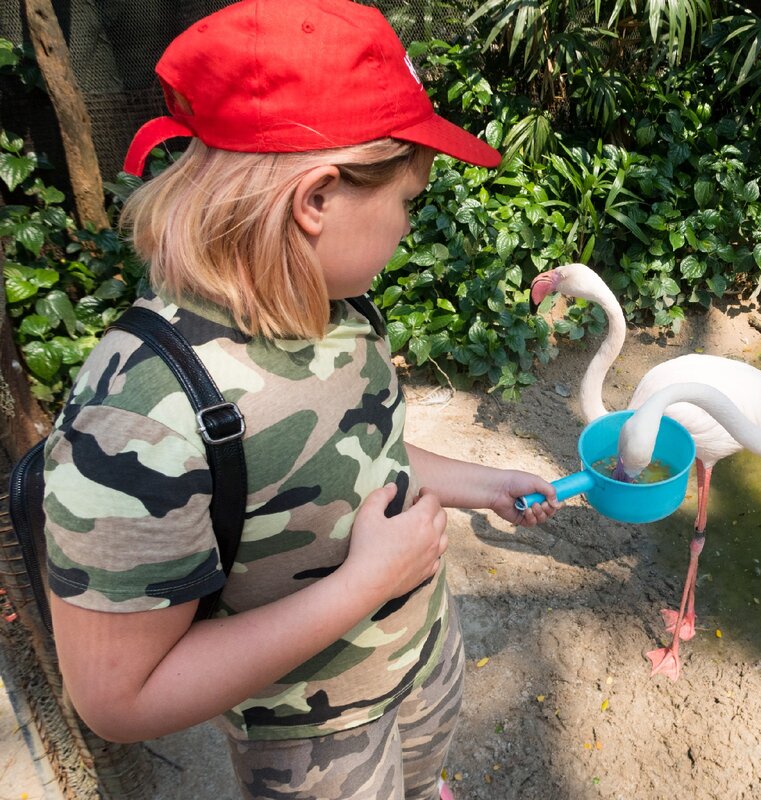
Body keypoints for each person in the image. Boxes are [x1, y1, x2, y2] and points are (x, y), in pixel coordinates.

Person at [40, 2, 559, 798]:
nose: (406, 230)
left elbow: (351, 455)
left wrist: (480, 485)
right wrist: (362, 586)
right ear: (315, 200)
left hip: (417, 666)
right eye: (405, 204)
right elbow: (117, 697)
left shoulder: (334, 310)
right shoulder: (142, 410)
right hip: (313, 743)